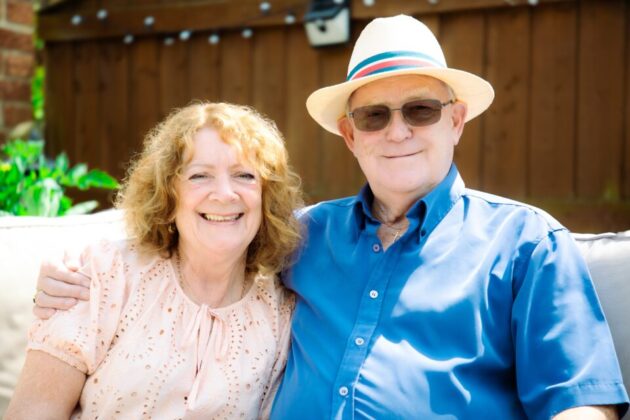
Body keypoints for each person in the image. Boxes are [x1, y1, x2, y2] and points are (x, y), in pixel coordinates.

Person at [32, 15, 629, 419]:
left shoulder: (526, 243)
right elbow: (198, 226)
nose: (397, 132)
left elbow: (580, 403)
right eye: (374, 116)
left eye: (420, 110)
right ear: (350, 135)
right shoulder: (302, 235)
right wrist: (75, 271)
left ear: (456, 121)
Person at [6, 102, 303, 419]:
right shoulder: (106, 274)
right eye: (200, 175)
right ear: (168, 193)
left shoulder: (280, 313)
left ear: (266, 195)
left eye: (244, 175)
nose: (224, 193)